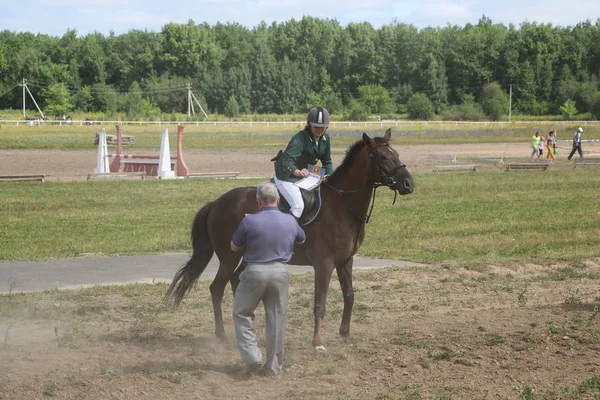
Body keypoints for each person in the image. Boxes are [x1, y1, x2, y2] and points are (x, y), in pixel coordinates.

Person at [231, 181, 306, 377]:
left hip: (255, 271)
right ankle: (273, 368)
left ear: (258, 201)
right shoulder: (291, 221)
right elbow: (302, 239)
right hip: (280, 273)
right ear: (279, 199)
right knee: (276, 320)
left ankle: (253, 356)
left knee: (242, 313)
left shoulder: (249, 221)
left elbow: (234, 246)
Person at [273, 107, 333, 219]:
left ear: (326, 127)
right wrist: (298, 172)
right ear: (309, 124)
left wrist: (329, 175)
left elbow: (327, 161)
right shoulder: (299, 139)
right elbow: (286, 161)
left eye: (322, 127)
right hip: (287, 174)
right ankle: (288, 233)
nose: (319, 130)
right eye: (316, 127)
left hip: (307, 171)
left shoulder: (326, 138)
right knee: (298, 206)